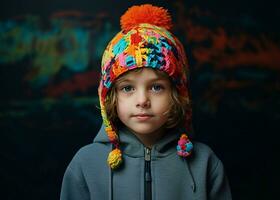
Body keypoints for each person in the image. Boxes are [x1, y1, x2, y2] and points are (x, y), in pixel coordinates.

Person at [60, 4, 232, 200]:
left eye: (156, 87)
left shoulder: (205, 163)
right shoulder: (86, 163)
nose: (142, 101)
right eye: (127, 88)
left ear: (178, 93)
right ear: (109, 97)